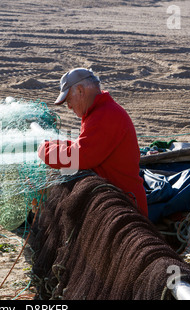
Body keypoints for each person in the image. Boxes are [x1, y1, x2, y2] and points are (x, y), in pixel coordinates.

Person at [38, 68, 148, 217]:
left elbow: (81, 157)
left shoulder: (105, 115)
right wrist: (59, 145)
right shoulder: (100, 111)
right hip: (115, 200)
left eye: (69, 100)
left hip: (124, 208)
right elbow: (85, 146)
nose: (69, 106)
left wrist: (45, 151)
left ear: (81, 91)